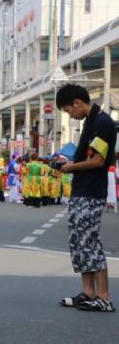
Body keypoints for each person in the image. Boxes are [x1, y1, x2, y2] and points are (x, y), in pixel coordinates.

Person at [53, 84, 115, 312]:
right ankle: (89, 292)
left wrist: (71, 167)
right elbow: (89, 156)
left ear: (78, 102)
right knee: (78, 241)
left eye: (69, 110)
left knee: (90, 241)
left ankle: (104, 297)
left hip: (91, 191)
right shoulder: (91, 121)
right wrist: (67, 165)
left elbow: (98, 160)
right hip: (81, 190)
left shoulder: (102, 122)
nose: (71, 115)